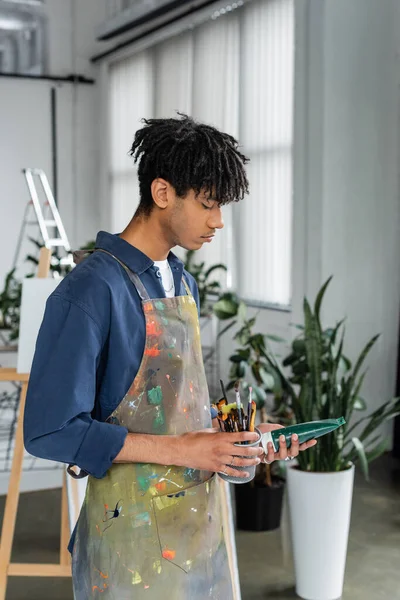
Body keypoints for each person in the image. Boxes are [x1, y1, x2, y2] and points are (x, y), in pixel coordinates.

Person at [24, 114, 316, 599]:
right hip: (129, 548)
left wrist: (239, 443)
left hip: (198, 536)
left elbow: (176, 411)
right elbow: (50, 430)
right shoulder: (90, 291)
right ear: (162, 193)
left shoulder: (182, 283)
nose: (218, 220)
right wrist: (185, 450)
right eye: (207, 204)